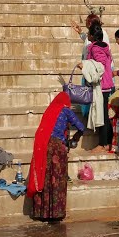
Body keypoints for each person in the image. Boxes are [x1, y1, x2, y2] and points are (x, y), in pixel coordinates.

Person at [27, 92, 84, 221]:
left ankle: (41, 213)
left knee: (44, 178)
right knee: (57, 178)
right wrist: (76, 137)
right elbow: (81, 127)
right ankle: (56, 213)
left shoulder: (49, 111)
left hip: (43, 146)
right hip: (57, 147)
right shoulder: (66, 111)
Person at [79, 22, 114, 152]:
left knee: (103, 115)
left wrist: (85, 66)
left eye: (88, 33)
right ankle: (108, 142)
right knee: (104, 113)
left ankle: (103, 143)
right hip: (105, 84)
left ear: (93, 36)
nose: (87, 35)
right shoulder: (104, 47)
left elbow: (100, 65)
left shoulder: (95, 48)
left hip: (101, 85)